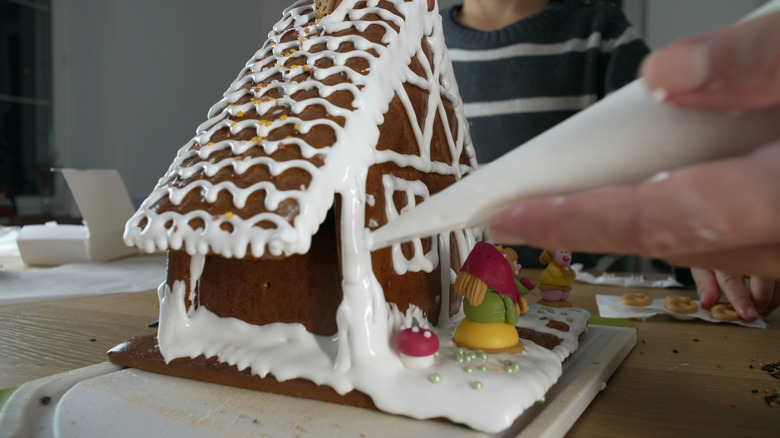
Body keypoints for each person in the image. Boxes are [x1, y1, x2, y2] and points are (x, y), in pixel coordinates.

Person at [489, 8, 780, 321]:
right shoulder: (432, 46)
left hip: (592, 301)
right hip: (477, 297)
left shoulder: (603, 35)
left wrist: (704, 216)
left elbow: (674, 151)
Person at [440, 0, 650, 268]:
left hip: (585, 284)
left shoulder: (603, 33)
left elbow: (677, 153)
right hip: (452, 288)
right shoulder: (418, 43)